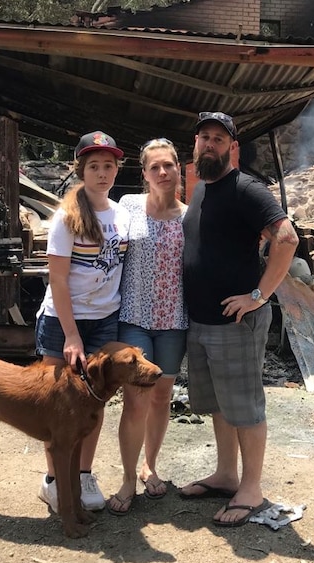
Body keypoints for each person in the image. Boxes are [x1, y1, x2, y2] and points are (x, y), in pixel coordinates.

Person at [179, 112, 299, 527]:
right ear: (195, 145)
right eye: (203, 137)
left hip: (236, 323)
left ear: (233, 148)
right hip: (203, 321)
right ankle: (227, 475)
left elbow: (287, 238)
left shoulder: (247, 189)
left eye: (218, 139)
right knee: (220, 405)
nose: (209, 144)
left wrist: (258, 295)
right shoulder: (200, 189)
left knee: (245, 407)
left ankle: (251, 488)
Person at [35, 130, 130, 513]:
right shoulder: (66, 218)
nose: (102, 173)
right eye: (94, 166)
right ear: (82, 170)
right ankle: (55, 479)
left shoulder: (122, 214)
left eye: (108, 165)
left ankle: (83, 473)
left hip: (104, 321)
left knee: (95, 400)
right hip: (63, 321)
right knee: (56, 403)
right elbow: (57, 279)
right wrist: (71, 335)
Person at [108, 138, 189, 515]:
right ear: (144, 174)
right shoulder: (128, 207)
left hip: (174, 320)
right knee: (136, 399)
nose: (162, 172)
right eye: (154, 166)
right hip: (134, 318)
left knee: (161, 397)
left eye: (168, 165)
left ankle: (150, 466)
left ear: (178, 170)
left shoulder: (190, 217)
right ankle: (127, 478)